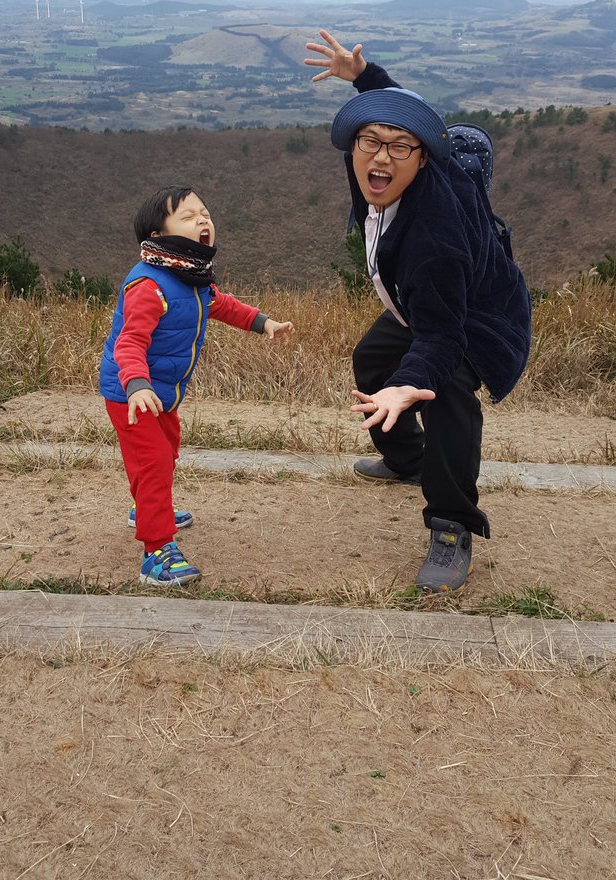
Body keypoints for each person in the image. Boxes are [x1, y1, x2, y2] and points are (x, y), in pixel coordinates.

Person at [305, 31, 532, 592]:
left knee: (446, 392)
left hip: (477, 318)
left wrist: (411, 383)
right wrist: (363, 76)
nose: (381, 154)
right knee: (372, 363)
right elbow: (398, 116)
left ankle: (452, 526)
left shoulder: (435, 235)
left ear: (422, 157)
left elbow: (441, 336)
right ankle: (408, 459)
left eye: (399, 147)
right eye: (369, 141)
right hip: (421, 307)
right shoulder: (374, 167)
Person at [99, 186, 294, 587]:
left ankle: (146, 507)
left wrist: (265, 324)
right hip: (131, 393)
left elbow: (221, 304)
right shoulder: (149, 286)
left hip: (162, 392)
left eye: (204, 212)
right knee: (152, 461)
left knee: (166, 452)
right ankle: (156, 552)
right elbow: (129, 342)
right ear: (158, 236)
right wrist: (136, 385)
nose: (203, 220)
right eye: (188, 216)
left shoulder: (191, 278)